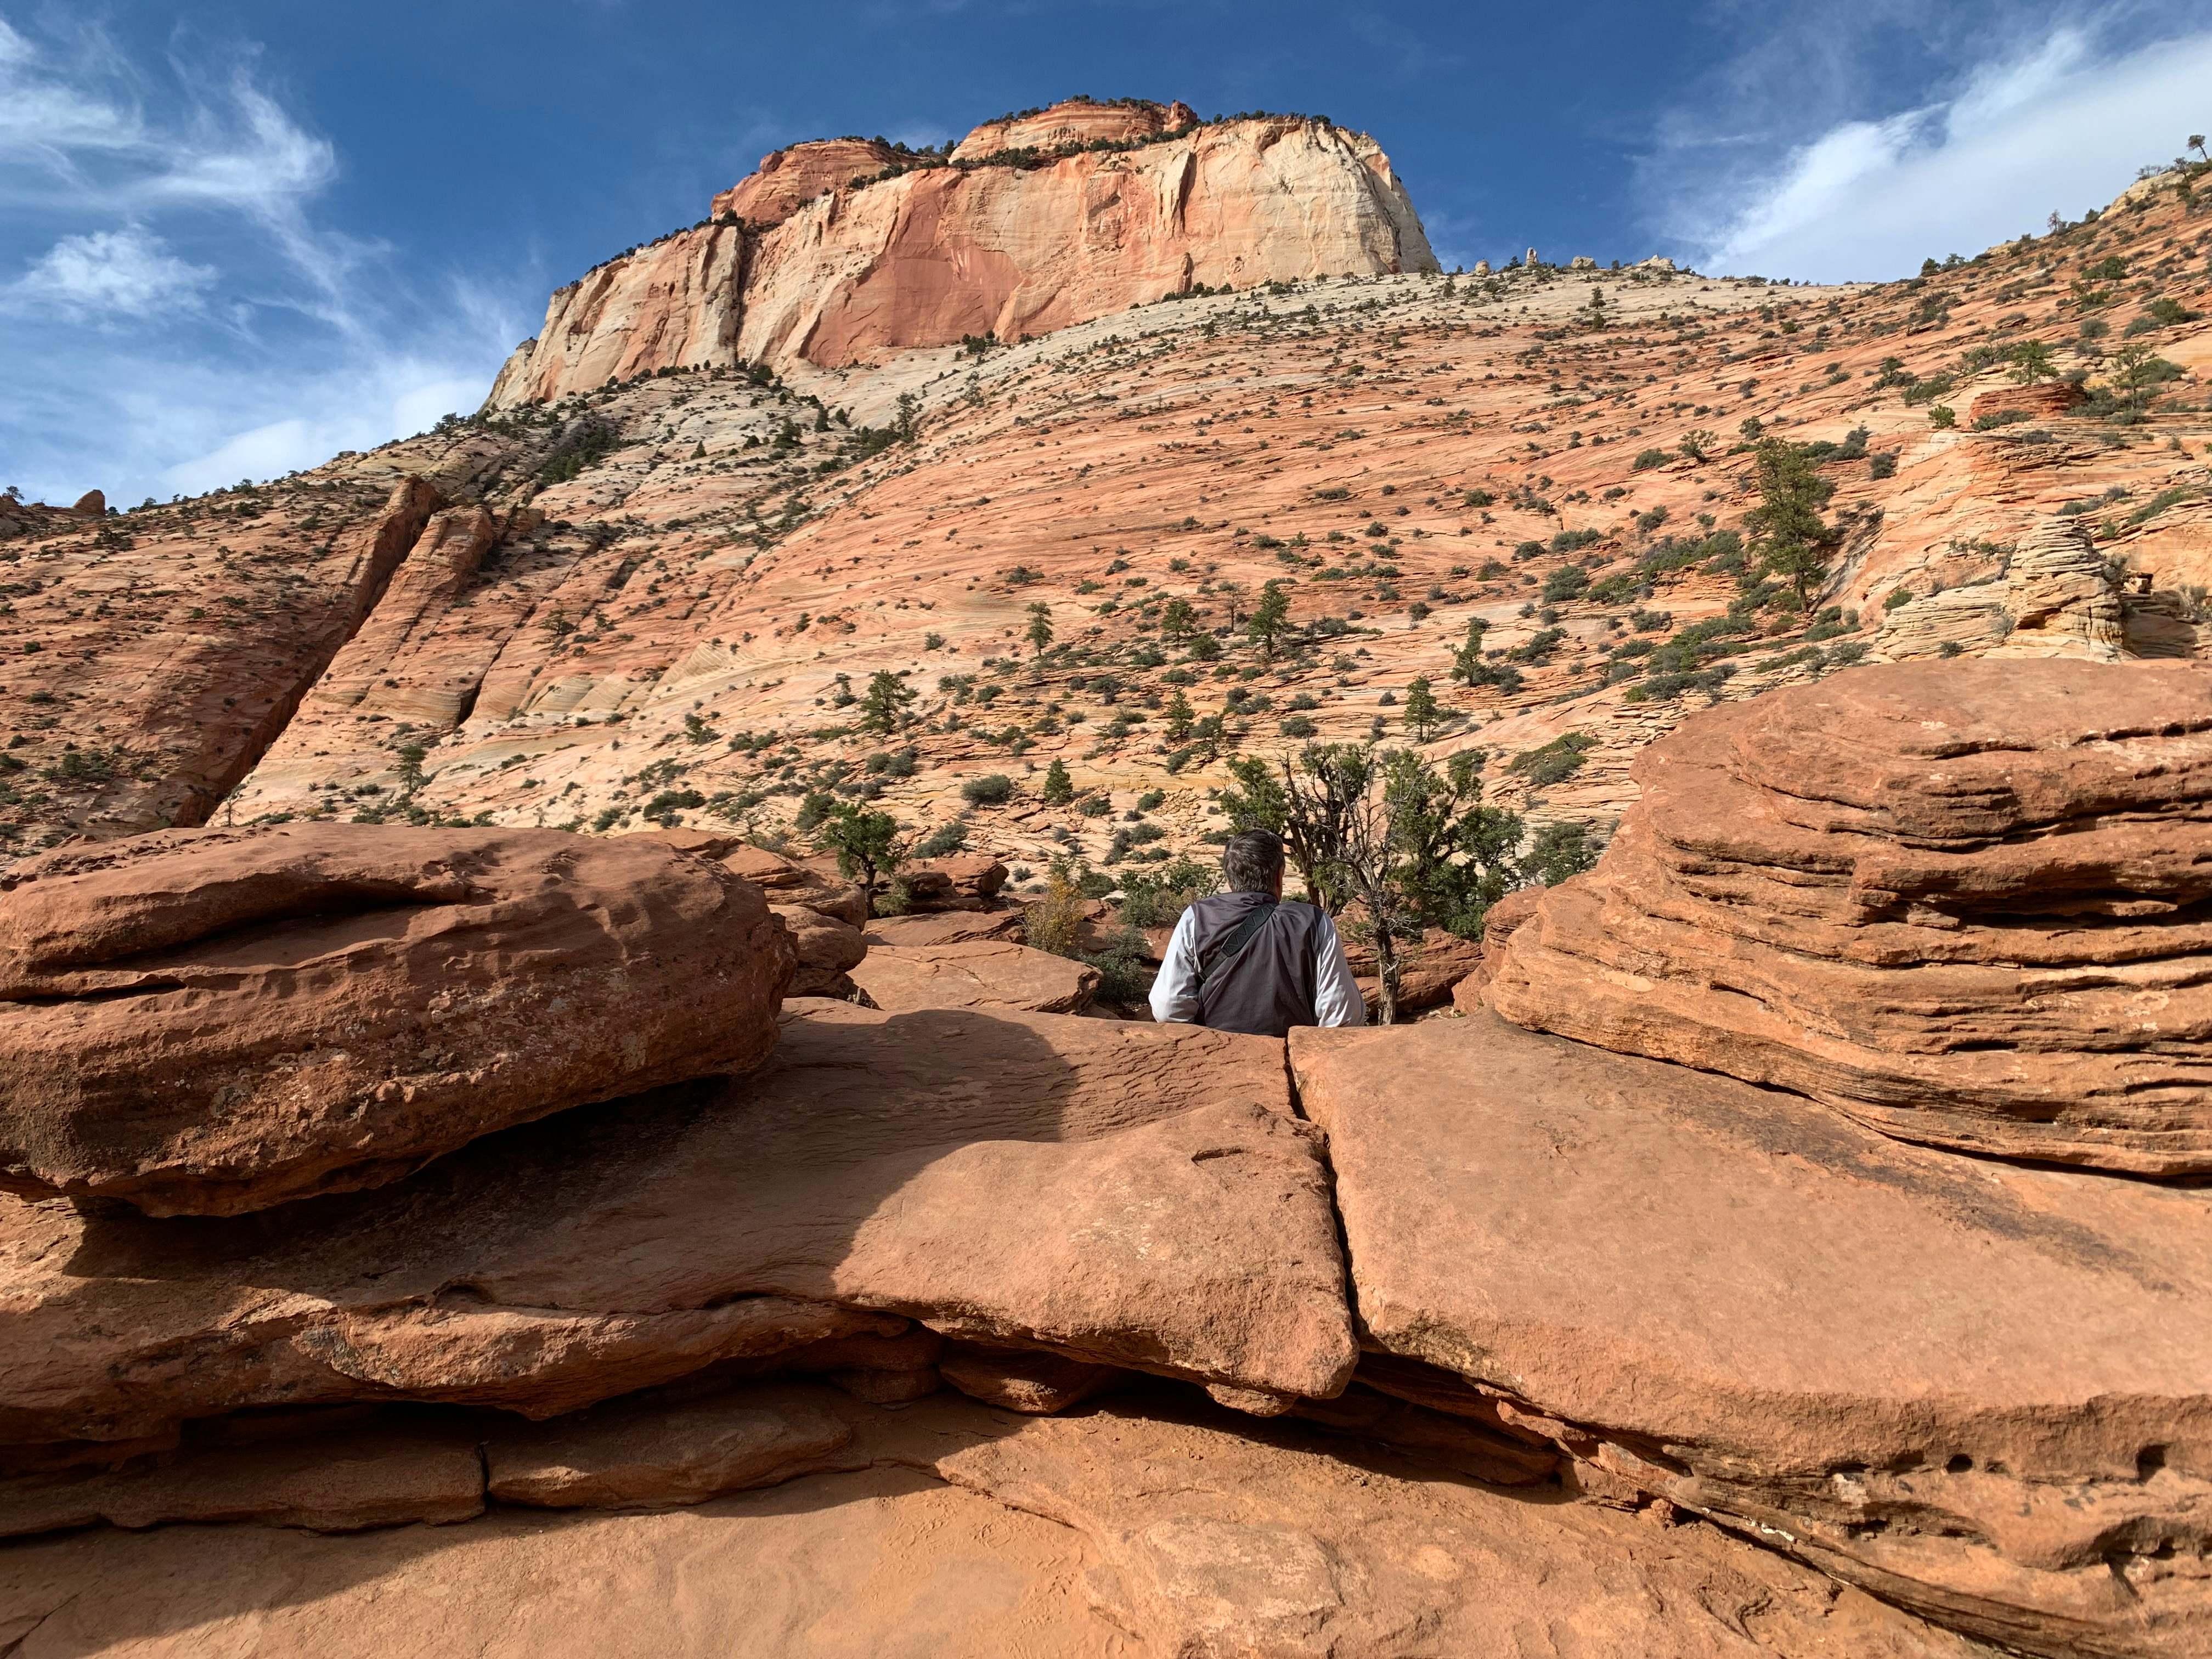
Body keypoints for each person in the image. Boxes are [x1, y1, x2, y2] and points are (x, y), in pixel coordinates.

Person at [1148, 830, 1366, 1036]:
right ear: (1279, 876)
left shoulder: (1197, 917)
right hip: (1292, 1058)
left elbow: (1168, 1006)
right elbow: (1342, 1015)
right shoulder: (1314, 922)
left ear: (1229, 879)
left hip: (1216, 1057)